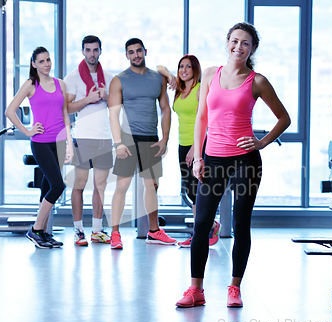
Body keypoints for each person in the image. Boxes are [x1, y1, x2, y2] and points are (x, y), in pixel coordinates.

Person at [176, 22, 291, 307]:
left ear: (252, 49)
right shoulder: (211, 74)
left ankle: (235, 288)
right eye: (235, 41)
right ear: (227, 42)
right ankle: (196, 290)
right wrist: (198, 156)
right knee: (201, 223)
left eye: (245, 43)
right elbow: (202, 117)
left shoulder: (257, 81)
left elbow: (284, 118)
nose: (238, 47)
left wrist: (261, 142)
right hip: (213, 158)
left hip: (245, 161)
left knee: (241, 224)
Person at [108, 38, 177, 250]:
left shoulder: (158, 79)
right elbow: (113, 114)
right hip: (127, 139)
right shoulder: (119, 80)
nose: (136, 55)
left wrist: (165, 138)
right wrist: (118, 143)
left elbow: (165, 109)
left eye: (139, 51)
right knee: (122, 185)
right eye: (131, 52)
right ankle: (115, 233)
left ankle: (154, 231)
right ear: (126, 55)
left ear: (145, 51)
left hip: (150, 138)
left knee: (152, 186)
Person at [5, 46, 74, 249]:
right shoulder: (30, 85)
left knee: (46, 189)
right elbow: (10, 111)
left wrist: (69, 143)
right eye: (42, 61)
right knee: (58, 186)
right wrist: (27, 131)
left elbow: (65, 116)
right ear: (34, 64)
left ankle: (43, 233)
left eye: (48, 60)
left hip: (59, 142)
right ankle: (35, 230)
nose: (46, 64)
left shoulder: (60, 84)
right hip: (41, 143)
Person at [157, 56, 221, 248]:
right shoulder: (179, 88)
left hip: (198, 145)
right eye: (181, 66)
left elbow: (208, 120)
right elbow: (159, 67)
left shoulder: (200, 89)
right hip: (183, 145)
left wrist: (196, 148)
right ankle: (205, 228)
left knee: (199, 190)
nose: (184, 70)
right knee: (191, 191)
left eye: (188, 66)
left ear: (195, 69)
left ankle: (201, 233)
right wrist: (169, 75)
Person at [64, 35, 114, 246]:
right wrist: (88, 99)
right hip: (82, 137)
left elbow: (116, 107)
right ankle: (78, 231)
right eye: (88, 50)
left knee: (100, 186)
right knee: (79, 185)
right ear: (83, 51)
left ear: (100, 51)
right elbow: (66, 108)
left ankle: (96, 230)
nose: (92, 53)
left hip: (104, 137)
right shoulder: (73, 77)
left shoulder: (110, 78)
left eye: (95, 50)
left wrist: (106, 96)